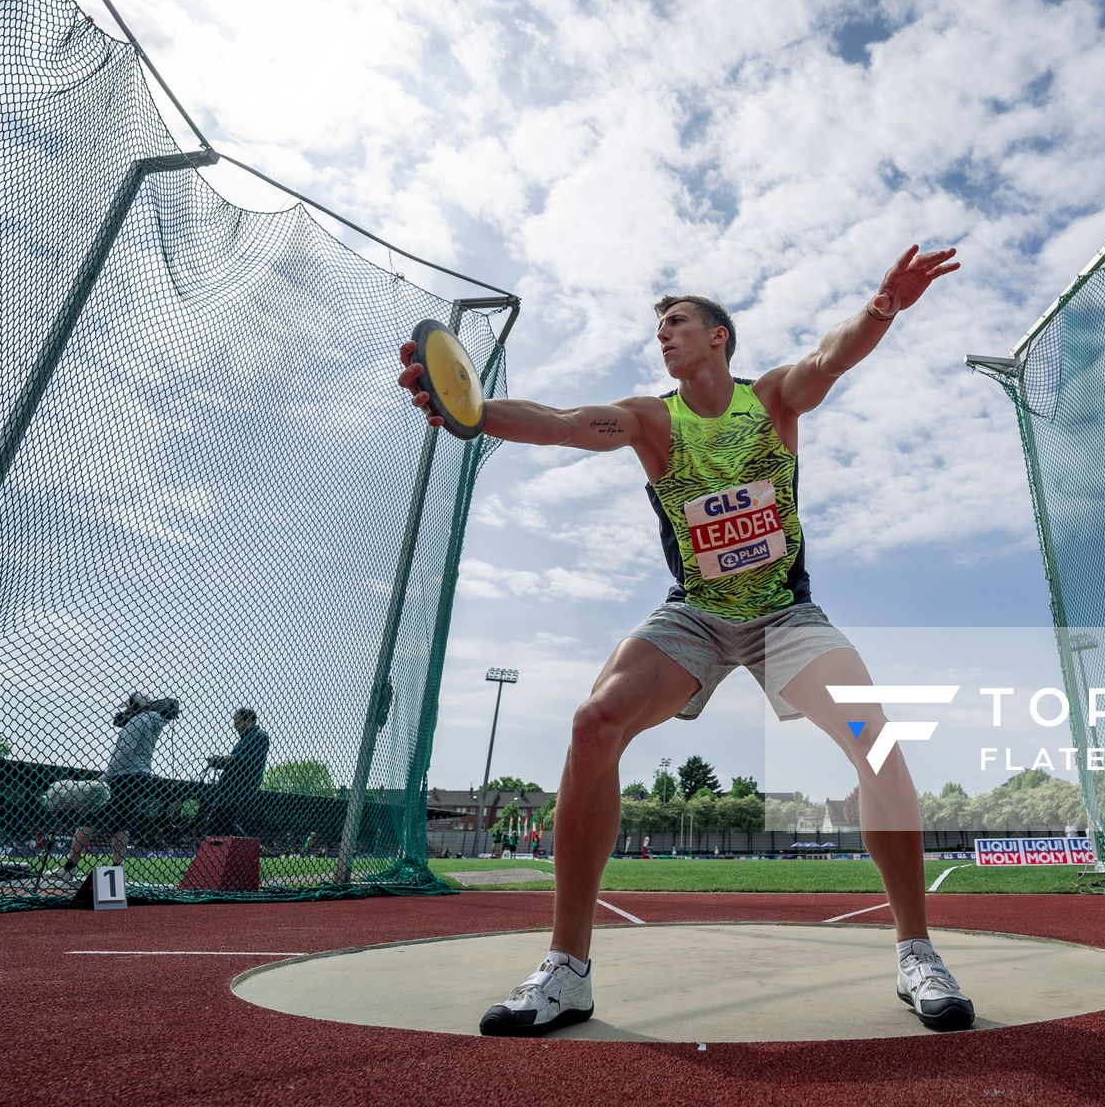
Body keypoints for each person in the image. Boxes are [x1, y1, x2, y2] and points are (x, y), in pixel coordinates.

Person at [399, 244, 971, 1035]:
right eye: (659, 326)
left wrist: (882, 307)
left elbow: (829, 357)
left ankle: (917, 953)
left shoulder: (771, 400)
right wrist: (472, 411)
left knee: (876, 740)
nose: (662, 335)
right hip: (695, 613)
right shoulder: (649, 419)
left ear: (718, 338)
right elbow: (564, 425)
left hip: (784, 614)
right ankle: (567, 969)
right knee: (593, 723)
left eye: (677, 323)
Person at [65, 692, 179, 873]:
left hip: (122, 776)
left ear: (134, 707)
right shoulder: (153, 721)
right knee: (121, 822)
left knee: (89, 817)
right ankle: (117, 868)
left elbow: (125, 749)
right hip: (140, 776)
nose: (125, 711)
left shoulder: (135, 722)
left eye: (129, 707)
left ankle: (69, 867)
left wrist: (107, 775)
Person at [198, 707, 269, 837]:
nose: (234, 725)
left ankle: (239, 846)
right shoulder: (244, 740)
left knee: (216, 821)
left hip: (240, 786)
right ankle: (245, 846)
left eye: (237, 721)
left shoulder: (260, 736)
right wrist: (218, 761)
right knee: (225, 822)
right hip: (231, 787)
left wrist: (230, 759)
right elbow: (234, 764)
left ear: (247, 721)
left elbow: (251, 761)